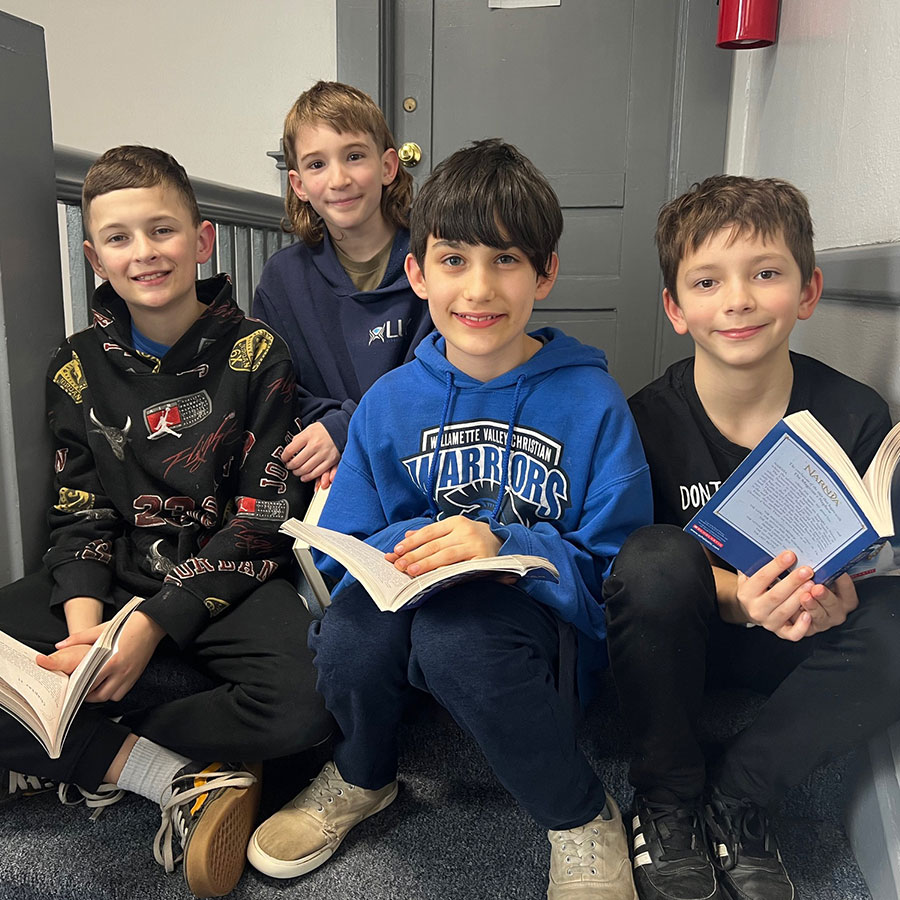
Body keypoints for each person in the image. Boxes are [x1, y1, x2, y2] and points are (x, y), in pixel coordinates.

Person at [245, 138, 652, 898]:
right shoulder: (390, 401)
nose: (479, 287)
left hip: (536, 628)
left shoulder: (593, 402)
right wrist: (410, 547)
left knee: (456, 639)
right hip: (410, 604)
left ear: (545, 273)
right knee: (347, 634)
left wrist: (502, 543)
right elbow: (341, 552)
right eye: (455, 260)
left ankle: (578, 812)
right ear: (418, 273)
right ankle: (363, 775)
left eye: (507, 260)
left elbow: (616, 568)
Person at [0, 146, 331, 898]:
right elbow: (79, 511)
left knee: (309, 704)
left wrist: (149, 628)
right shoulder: (75, 364)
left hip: (229, 576)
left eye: (162, 230)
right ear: (95, 257)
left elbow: (263, 519)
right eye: (119, 238)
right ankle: (169, 777)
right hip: (114, 573)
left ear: (202, 239)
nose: (144, 252)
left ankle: (77, 748)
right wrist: (87, 634)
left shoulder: (258, 353)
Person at [602, 175, 900, 900]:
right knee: (653, 558)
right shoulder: (643, 421)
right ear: (676, 309)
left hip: (802, 638)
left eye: (765, 273)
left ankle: (738, 794)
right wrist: (738, 597)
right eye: (707, 281)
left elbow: (874, 560)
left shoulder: (856, 413)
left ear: (808, 290)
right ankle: (667, 796)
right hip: (683, 645)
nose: (737, 300)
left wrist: (839, 595)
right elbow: (623, 571)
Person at [253, 80, 433, 488]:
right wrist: (329, 435)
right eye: (317, 164)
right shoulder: (282, 280)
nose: (338, 179)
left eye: (354, 156)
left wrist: (348, 426)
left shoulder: (435, 262)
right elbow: (276, 388)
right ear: (299, 185)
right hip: (328, 470)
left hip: (423, 456)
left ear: (388, 167)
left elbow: (448, 373)